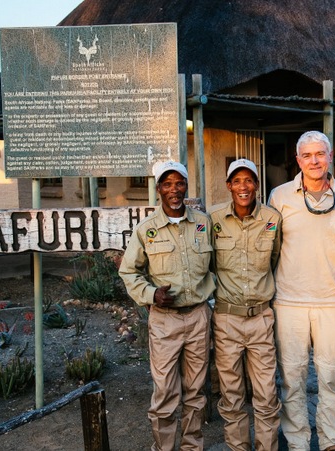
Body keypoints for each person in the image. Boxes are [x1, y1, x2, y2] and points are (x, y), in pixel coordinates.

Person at [268, 131, 335, 451]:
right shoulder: (279, 197)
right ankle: (297, 442)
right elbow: (268, 248)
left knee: (331, 379)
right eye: (307, 155)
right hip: (289, 302)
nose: (314, 161)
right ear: (298, 160)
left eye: (319, 154)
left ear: (330, 156)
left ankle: (330, 441)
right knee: (292, 380)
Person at [119, 160, 215, 451]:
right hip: (164, 321)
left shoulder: (202, 222)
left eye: (179, 183)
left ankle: (191, 447)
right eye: (168, 184)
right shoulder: (146, 230)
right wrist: (151, 295)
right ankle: (163, 448)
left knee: (196, 392)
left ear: (186, 187)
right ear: (158, 189)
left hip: (198, 317)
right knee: (164, 393)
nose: (174, 190)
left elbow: (217, 267)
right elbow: (128, 271)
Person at [209, 158, 282, 451]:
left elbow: (274, 260)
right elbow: (209, 264)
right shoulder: (212, 220)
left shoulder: (272, 218)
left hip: (261, 319)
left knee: (266, 395)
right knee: (231, 396)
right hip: (226, 319)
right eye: (237, 181)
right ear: (229, 186)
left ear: (256, 184)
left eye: (249, 180)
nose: (243, 186)